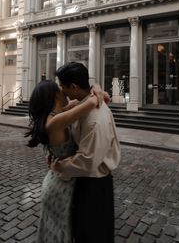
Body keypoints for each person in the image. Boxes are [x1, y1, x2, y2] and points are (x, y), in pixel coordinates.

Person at [52, 62, 121, 243]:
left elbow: (87, 161)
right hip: (88, 182)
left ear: (74, 87)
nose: (62, 91)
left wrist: (58, 166)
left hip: (94, 186)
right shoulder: (84, 102)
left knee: (92, 234)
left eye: (63, 87)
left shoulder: (94, 119)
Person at [25, 79, 101, 243]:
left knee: (55, 231)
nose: (63, 89)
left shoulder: (56, 115)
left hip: (59, 179)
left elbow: (88, 93)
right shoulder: (56, 121)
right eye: (60, 88)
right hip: (60, 187)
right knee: (58, 234)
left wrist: (95, 87)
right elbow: (91, 101)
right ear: (54, 96)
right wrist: (96, 93)